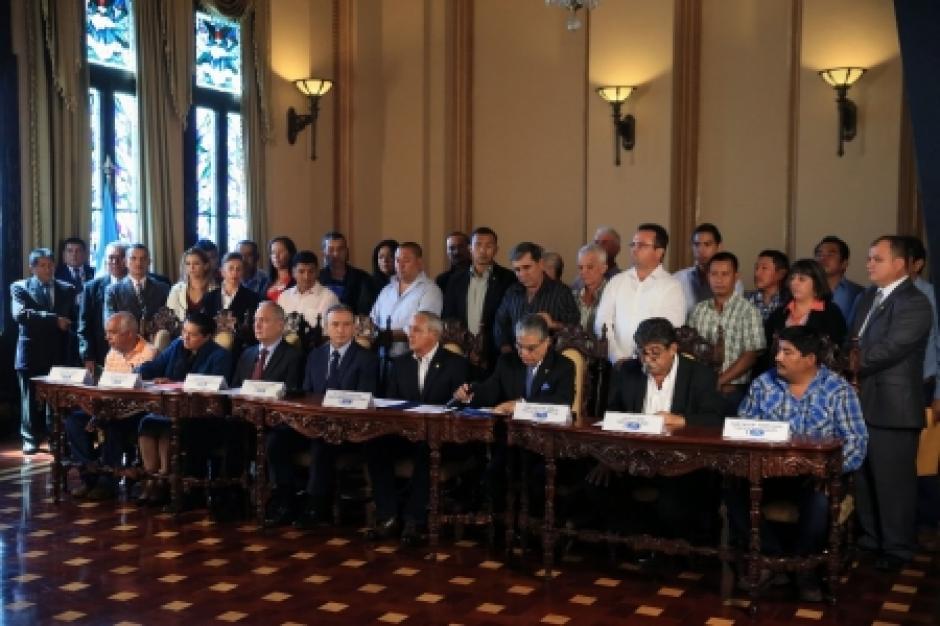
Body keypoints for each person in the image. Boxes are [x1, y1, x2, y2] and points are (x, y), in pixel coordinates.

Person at [733, 326, 867, 601]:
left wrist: (830, 472)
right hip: (767, 475)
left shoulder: (838, 390)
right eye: (778, 351)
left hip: (813, 477)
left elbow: (856, 441)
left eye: (787, 352)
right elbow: (741, 428)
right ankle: (773, 558)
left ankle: (802, 567)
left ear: (809, 359)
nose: (778, 358)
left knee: (820, 501)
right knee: (731, 489)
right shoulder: (763, 384)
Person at [591, 317, 724, 539]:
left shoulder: (700, 375)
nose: (648, 359)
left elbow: (716, 419)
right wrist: (608, 457)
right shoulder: (629, 371)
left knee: (672, 504)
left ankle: (667, 550)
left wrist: (680, 420)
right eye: (642, 352)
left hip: (682, 463)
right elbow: (613, 415)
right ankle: (639, 542)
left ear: (673, 349)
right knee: (596, 487)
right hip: (632, 458)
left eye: (655, 353)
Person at [849, 235, 932, 571]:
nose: (869, 263)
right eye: (869, 258)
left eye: (877, 259)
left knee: (893, 483)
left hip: (894, 407)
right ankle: (871, 541)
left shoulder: (915, 302)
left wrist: (847, 362)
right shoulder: (867, 297)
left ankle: (897, 549)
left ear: (899, 264)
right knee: (865, 480)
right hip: (861, 402)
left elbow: (891, 349)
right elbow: (854, 340)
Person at [265, 304, 379, 528]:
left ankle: (315, 505)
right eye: (335, 325)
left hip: (347, 430)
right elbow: (307, 394)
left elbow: (366, 399)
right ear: (327, 328)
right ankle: (286, 499)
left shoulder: (366, 359)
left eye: (347, 325)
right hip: (312, 424)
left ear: (355, 328)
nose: (341, 330)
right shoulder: (315, 356)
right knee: (275, 440)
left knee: (321, 444)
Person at [367, 311, 469, 545]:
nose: (408, 334)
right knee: (374, 445)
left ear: (434, 334)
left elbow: (459, 406)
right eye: (409, 329)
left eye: (416, 330)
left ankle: (414, 520)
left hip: (444, 437)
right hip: (405, 434)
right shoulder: (400, 364)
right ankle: (389, 516)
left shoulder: (456, 365)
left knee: (427, 450)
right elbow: (392, 404)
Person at [135, 313, 232, 505]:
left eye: (192, 335)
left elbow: (212, 387)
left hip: (202, 416)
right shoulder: (177, 346)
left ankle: (164, 481)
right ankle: (152, 478)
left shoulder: (220, 356)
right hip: (171, 409)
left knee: (168, 427)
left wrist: (177, 383)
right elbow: (155, 366)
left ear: (206, 337)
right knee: (147, 422)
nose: (185, 337)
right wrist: (138, 373)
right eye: (184, 332)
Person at [65, 312, 157, 499]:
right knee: (74, 421)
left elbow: (143, 394)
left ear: (129, 334)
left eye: (112, 333)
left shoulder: (149, 353)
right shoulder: (112, 353)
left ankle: (107, 482)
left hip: (136, 411)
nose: (107, 337)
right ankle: (90, 476)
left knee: (112, 424)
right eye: (107, 332)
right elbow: (105, 386)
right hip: (108, 407)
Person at [12, 248, 78, 454]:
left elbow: (73, 318)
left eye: (51, 265)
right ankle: (30, 438)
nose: (48, 269)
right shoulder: (20, 287)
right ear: (32, 267)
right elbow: (21, 315)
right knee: (29, 399)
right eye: (43, 265)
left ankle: (55, 437)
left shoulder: (67, 288)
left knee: (55, 400)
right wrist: (53, 320)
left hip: (58, 353)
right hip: (31, 353)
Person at [594, 223, 686, 363]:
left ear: (659, 252)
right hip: (616, 364)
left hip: (653, 366)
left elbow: (670, 328)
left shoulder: (672, 287)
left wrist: (644, 358)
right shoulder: (617, 282)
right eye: (633, 244)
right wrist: (616, 357)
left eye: (641, 245)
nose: (635, 249)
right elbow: (602, 322)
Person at [688, 252, 766, 414]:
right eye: (714, 274)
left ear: (736, 276)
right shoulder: (698, 310)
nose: (719, 279)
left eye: (725, 274)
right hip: (700, 390)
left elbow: (751, 355)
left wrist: (719, 380)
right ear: (707, 276)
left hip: (734, 392)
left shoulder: (748, 311)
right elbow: (689, 349)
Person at [456, 314, 575, 414]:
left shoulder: (563, 366)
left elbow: (562, 402)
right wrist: (470, 395)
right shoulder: (507, 362)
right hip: (511, 432)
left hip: (547, 433)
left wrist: (522, 406)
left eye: (531, 348)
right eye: (519, 346)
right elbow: (490, 391)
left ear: (547, 342)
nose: (523, 353)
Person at [442, 226, 517, 375]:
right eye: (478, 245)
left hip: (495, 351)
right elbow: (448, 315)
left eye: (489, 246)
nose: (483, 251)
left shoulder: (508, 279)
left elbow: (510, 317)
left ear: (496, 249)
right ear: (470, 248)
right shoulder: (456, 280)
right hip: (462, 349)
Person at [492, 242, 579, 354]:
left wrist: (554, 324)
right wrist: (506, 350)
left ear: (541, 264)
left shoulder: (561, 292)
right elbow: (500, 323)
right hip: (515, 359)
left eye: (527, 267)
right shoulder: (512, 291)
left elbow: (576, 330)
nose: (522, 274)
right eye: (517, 270)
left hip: (549, 363)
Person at [763, 259, 847, 375]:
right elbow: (766, 350)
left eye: (801, 279)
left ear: (817, 283)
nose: (794, 283)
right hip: (779, 377)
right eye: (792, 278)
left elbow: (837, 352)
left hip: (819, 380)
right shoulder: (780, 313)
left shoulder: (830, 312)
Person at [371, 242, 443, 357]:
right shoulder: (387, 290)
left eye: (406, 261)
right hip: (382, 358)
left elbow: (424, 327)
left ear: (419, 263)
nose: (400, 265)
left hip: (412, 359)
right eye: (397, 260)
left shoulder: (430, 290)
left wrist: (388, 335)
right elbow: (373, 318)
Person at [78, 241, 128, 372]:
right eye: (111, 258)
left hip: (133, 354)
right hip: (101, 355)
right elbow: (84, 326)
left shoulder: (136, 285)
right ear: (105, 260)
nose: (115, 262)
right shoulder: (91, 288)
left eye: (120, 257)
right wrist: (87, 356)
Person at [674, 223, 744, 315]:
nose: (701, 250)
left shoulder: (734, 282)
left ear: (719, 247)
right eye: (696, 244)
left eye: (707, 244)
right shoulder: (678, 279)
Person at [204, 252, 262, 357]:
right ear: (222, 272)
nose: (234, 272)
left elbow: (253, 331)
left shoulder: (253, 298)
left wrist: (236, 326)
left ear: (242, 272)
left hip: (240, 348)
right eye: (231, 268)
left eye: (238, 269)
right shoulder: (209, 297)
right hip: (211, 345)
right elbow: (204, 325)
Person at [104, 243, 171, 324]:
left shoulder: (163, 288)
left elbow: (168, 319)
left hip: (156, 335)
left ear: (149, 262)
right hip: (125, 335)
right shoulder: (113, 291)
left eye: (143, 259)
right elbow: (109, 322)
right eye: (133, 258)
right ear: (125, 262)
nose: (138, 263)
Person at [278, 250, 340, 331]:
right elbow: (277, 326)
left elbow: (326, 330)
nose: (306, 277)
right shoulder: (284, 297)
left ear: (317, 272)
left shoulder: (329, 297)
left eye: (311, 271)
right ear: (293, 273)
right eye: (301, 272)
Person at [320, 231, 376, 315]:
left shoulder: (362, 278)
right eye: (331, 250)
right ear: (324, 253)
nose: (336, 254)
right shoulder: (317, 278)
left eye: (340, 249)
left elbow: (365, 311)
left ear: (347, 251)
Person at [814, 235, 863, 323]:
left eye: (830, 255)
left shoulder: (858, 293)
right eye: (819, 254)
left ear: (844, 263)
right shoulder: (804, 290)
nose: (822, 258)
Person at [166, 246, 218, 321]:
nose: (191, 267)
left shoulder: (215, 290)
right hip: (181, 330)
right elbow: (169, 317)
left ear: (206, 266)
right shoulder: (176, 290)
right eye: (188, 264)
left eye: (196, 264)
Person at [572, 243, 608, 335]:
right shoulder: (573, 294)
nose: (583, 272)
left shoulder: (612, 293)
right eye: (580, 267)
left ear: (603, 268)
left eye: (590, 267)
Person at [573, 226, 623, 290]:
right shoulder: (580, 280)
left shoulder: (622, 279)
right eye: (596, 242)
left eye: (604, 243)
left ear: (617, 249)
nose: (598, 246)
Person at [745, 249, 789, 321]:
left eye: (764, 268)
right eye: (756, 268)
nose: (757, 273)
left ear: (781, 274)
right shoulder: (745, 300)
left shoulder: (789, 302)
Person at [55, 237, 94, 305]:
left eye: (78, 251)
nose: (74, 254)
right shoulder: (56, 274)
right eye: (70, 251)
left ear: (84, 254)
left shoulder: (94, 273)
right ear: (64, 254)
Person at [266, 236, 297, 302]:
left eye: (281, 251)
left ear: (290, 254)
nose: (276, 256)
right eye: (273, 252)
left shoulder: (297, 280)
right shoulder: (266, 281)